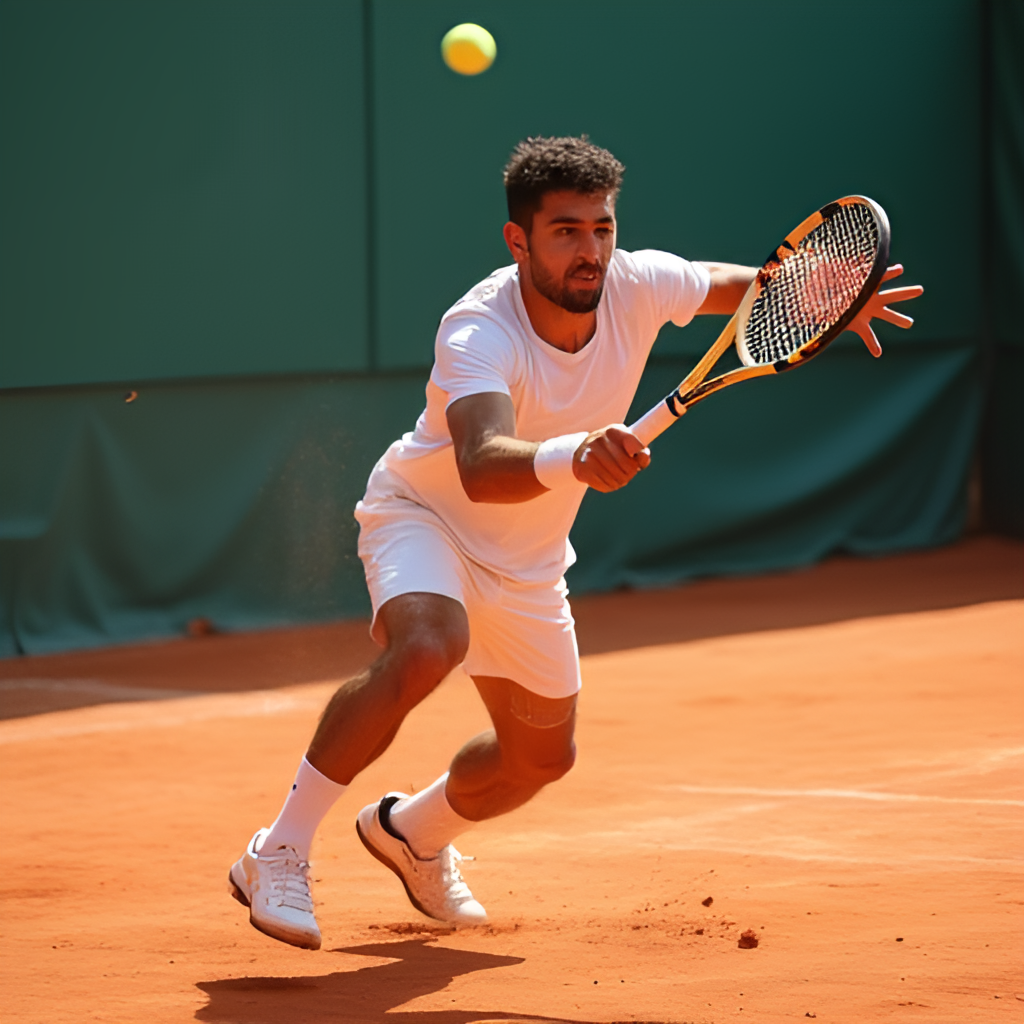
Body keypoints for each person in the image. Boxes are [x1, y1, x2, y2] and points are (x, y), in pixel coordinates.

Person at [228, 136, 921, 949]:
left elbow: (741, 289)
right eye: (565, 232)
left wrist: (823, 295)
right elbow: (482, 465)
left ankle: (412, 833)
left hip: (528, 559)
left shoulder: (639, 283)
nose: (590, 250)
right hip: (427, 517)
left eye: (602, 228)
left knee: (540, 760)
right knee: (429, 645)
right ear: (518, 241)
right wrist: (576, 455)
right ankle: (278, 849)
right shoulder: (478, 328)